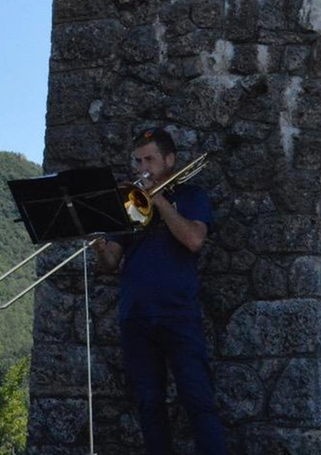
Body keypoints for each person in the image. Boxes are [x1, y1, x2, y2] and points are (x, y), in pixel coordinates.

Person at [92, 127, 225, 455]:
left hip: (179, 314)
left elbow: (194, 240)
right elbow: (110, 262)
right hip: (136, 316)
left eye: (149, 159)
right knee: (149, 406)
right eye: (138, 161)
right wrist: (97, 245)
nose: (142, 168)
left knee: (198, 401)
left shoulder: (192, 196)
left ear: (169, 159)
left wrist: (159, 200)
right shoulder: (127, 205)